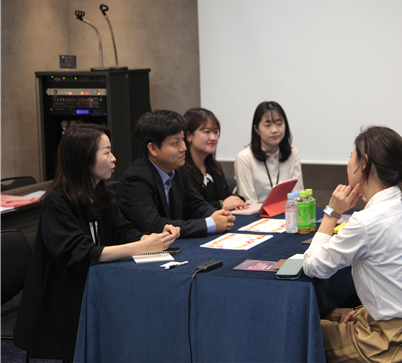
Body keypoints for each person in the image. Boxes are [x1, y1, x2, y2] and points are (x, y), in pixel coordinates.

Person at [14, 124, 179, 361]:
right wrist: (140, 247)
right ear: (84, 158)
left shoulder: (100, 195)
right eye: (107, 152)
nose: (114, 158)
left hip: (97, 289)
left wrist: (152, 238)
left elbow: (123, 231)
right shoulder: (56, 202)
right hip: (64, 304)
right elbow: (80, 253)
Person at [303, 126, 402, 363]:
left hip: (397, 344)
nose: (348, 162)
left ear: (363, 163)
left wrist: (332, 213)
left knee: (297, 328)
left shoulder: (367, 221)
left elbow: (313, 265)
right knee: (325, 314)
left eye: (350, 157)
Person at [119, 110, 235, 238]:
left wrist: (218, 215)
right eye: (175, 143)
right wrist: (209, 224)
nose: (184, 147)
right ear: (153, 149)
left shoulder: (178, 170)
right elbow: (155, 226)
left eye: (183, 140)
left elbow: (196, 204)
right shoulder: (136, 179)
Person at [234, 101, 304, 204]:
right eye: (267, 125)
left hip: (288, 213)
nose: (275, 130)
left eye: (279, 124)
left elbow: (298, 195)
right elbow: (249, 202)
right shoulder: (244, 158)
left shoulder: (293, 153)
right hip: (256, 216)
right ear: (256, 129)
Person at [183, 107, 247, 210]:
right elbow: (190, 211)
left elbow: (228, 197)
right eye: (207, 132)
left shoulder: (215, 168)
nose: (213, 137)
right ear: (189, 136)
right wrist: (221, 205)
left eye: (216, 132)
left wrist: (237, 200)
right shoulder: (181, 172)